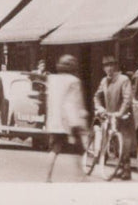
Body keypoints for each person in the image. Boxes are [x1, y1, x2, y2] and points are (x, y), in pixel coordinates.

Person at [45, 54, 88, 182]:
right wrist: (79, 120)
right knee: (78, 149)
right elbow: (74, 102)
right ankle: (81, 177)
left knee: (54, 149)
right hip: (69, 120)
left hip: (55, 120)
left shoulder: (52, 79)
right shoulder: (74, 81)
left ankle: (48, 177)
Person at [93, 55, 134, 180]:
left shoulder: (124, 79)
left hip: (124, 116)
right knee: (114, 141)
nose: (109, 68)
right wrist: (99, 107)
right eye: (106, 66)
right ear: (103, 68)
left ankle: (126, 169)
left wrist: (120, 113)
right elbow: (97, 96)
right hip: (111, 115)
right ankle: (120, 167)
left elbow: (127, 98)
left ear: (116, 66)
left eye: (111, 65)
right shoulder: (104, 81)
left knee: (125, 141)